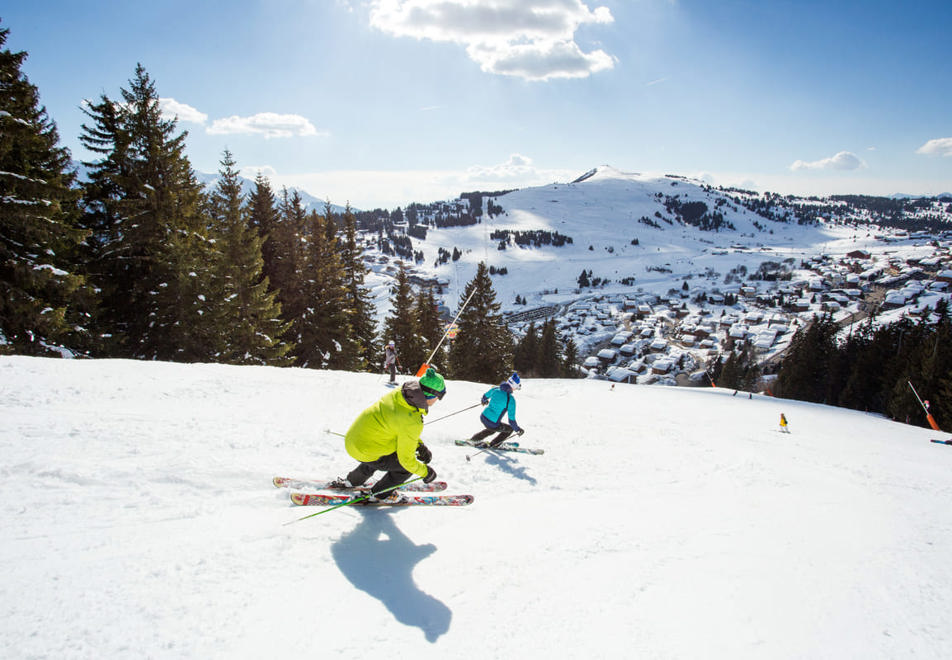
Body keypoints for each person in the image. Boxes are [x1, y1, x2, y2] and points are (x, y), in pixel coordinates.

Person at [335, 367, 444, 503]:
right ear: (431, 396)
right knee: (404, 467)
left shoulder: (401, 394)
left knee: (382, 452)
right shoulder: (412, 420)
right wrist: (426, 472)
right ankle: (380, 495)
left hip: (354, 440)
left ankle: (352, 481)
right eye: (439, 396)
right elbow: (407, 461)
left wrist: (420, 446)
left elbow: (399, 427)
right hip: (367, 449)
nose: (437, 400)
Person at [470, 372, 524, 448]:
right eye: (517, 386)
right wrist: (517, 429)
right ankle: (495, 444)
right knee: (509, 429)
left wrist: (484, 400)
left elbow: (485, 396)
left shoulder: (496, 389)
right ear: (514, 386)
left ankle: (474, 439)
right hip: (493, 423)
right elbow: (511, 420)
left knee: (492, 429)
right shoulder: (511, 400)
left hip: (483, 417)